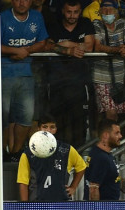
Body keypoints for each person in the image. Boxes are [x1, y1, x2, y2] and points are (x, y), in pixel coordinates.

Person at [0, 0, 49, 159]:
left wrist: (25, 51)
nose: (22, 3)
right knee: (3, 116)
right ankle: (2, 153)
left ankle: (16, 152)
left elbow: (42, 42)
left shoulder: (37, 17)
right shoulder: (2, 17)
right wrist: (15, 51)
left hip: (27, 74)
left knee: (26, 116)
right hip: (3, 73)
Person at [45, 0, 96, 148]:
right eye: (69, 12)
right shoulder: (54, 24)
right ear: (63, 11)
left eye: (75, 12)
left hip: (80, 82)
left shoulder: (85, 23)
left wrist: (65, 44)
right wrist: (70, 48)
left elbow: (89, 47)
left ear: (80, 11)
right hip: (57, 82)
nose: (72, 15)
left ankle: (77, 157)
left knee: (79, 124)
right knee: (58, 122)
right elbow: (47, 45)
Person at [17, 115, 87, 202]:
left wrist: (73, 187)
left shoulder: (66, 150)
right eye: (45, 127)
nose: (48, 131)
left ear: (56, 130)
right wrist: (25, 207)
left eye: (52, 127)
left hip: (61, 203)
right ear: (38, 129)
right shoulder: (28, 153)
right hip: (37, 204)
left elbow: (81, 167)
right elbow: (23, 182)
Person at [92, 0, 125, 121]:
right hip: (102, 78)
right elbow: (98, 46)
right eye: (104, 9)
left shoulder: (122, 24)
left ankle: (120, 140)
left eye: (110, 9)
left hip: (120, 79)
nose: (107, 12)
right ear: (100, 11)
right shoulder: (97, 24)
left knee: (122, 114)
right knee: (110, 115)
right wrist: (118, 50)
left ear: (116, 12)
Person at [84, 118, 125, 200]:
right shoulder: (100, 158)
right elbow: (93, 189)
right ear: (106, 135)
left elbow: (117, 180)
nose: (121, 136)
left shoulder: (106, 155)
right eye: (117, 133)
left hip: (110, 208)